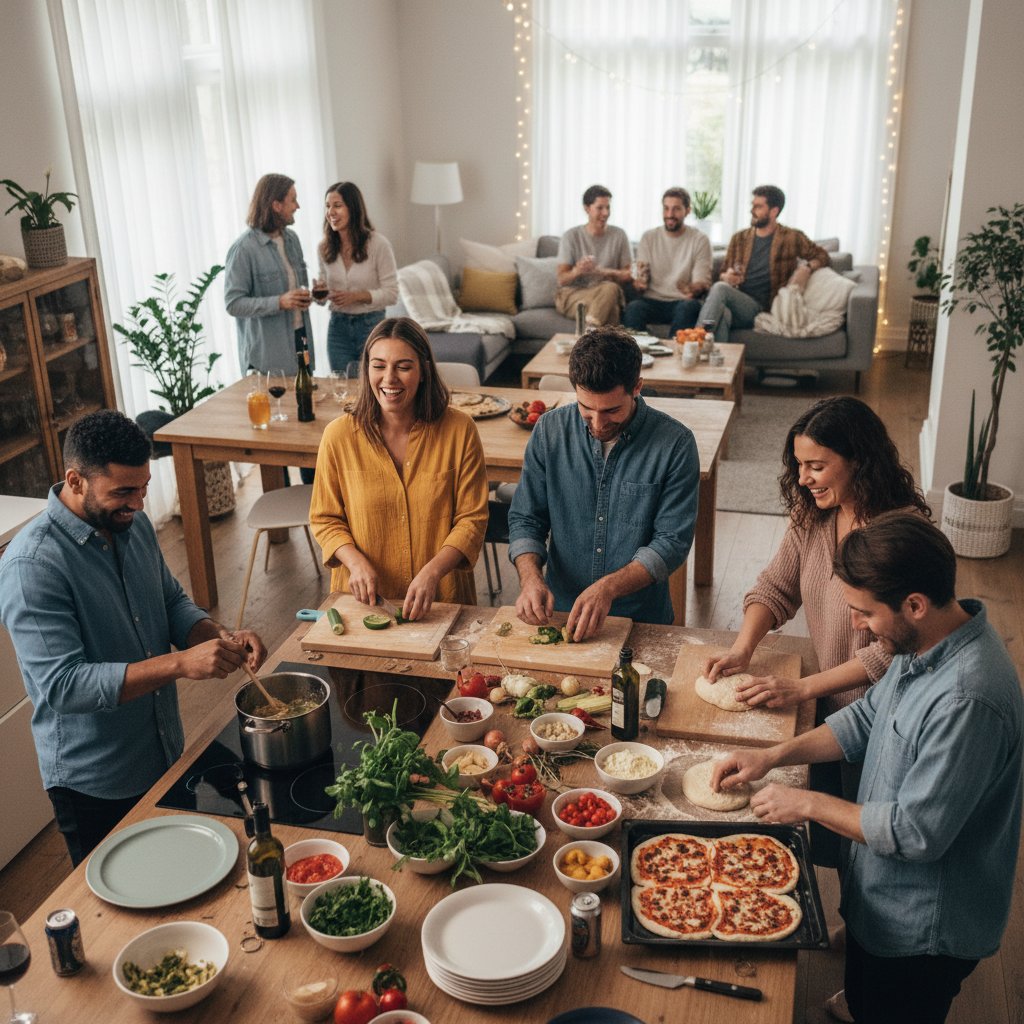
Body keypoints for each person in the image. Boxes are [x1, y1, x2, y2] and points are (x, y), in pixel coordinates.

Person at [711, 514, 1022, 1024]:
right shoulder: (924, 642)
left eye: (863, 613)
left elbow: (916, 832)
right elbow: (865, 717)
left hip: (923, 931)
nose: (855, 625)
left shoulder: (968, 698)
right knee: (864, 990)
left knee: (892, 1003)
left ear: (914, 605)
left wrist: (806, 802)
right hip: (883, 896)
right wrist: (772, 757)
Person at [0, 411, 267, 865]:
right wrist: (181, 664)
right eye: (124, 491)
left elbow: (170, 603)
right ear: (76, 480)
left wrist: (219, 636)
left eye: (144, 488)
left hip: (163, 750)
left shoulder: (133, 525)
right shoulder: (32, 567)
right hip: (94, 782)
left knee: (179, 876)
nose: (140, 504)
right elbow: (63, 686)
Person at [702, 396, 932, 868]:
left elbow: (890, 655)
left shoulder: (902, 534)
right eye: (799, 464)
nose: (804, 478)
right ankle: (841, 925)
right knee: (827, 838)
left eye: (817, 466)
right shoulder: (814, 513)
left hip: (883, 711)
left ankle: (855, 930)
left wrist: (803, 686)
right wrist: (743, 649)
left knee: (865, 842)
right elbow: (776, 585)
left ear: (859, 463)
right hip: (831, 704)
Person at [508, 326, 699, 638]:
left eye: (611, 410)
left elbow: (672, 542)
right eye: (586, 409)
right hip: (559, 613)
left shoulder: (676, 444)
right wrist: (530, 579)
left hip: (642, 620)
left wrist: (608, 588)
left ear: (637, 387)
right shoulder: (549, 431)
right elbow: (526, 517)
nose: (597, 424)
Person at [309, 317, 488, 617]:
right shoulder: (338, 436)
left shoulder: (460, 430)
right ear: (367, 370)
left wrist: (433, 572)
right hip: (363, 606)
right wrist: (354, 562)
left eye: (403, 367)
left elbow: (472, 519)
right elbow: (325, 519)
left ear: (424, 372)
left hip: (442, 601)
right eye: (378, 366)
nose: (389, 378)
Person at [697, 184, 831, 342]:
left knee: (720, 289)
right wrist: (728, 277)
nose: (752, 210)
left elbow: (822, 256)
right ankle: (717, 364)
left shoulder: (791, 237)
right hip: (738, 301)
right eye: (752, 205)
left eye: (758, 206)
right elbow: (723, 273)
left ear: (774, 211)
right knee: (723, 312)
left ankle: (695, 338)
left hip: (764, 307)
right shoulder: (739, 238)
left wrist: (807, 267)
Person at [224, 172, 314, 374]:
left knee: (307, 404)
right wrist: (279, 302)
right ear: (276, 205)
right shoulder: (243, 249)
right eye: (293, 200)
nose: (297, 206)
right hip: (267, 357)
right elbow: (233, 304)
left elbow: (297, 289)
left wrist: (309, 295)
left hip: (301, 341)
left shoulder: (293, 240)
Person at [316, 181, 398, 372]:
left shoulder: (378, 244)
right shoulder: (324, 247)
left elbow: (392, 293)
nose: (331, 212)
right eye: (328, 206)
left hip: (372, 325)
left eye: (337, 206)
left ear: (353, 209)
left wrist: (356, 296)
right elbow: (322, 295)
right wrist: (319, 293)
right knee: (341, 387)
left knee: (372, 385)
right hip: (338, 328)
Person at [623, 187, 712, 336]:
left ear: (688, 210)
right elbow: (641, 277)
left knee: (689, 307)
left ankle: (676, 352)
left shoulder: (699, 240)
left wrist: (692, 288)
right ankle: (636, 355)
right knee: (633, 308)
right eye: (666, 208)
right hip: (652, 300)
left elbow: (701, 282)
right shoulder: (648, 237)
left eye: (676, 209)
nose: (670, 215)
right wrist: (639, 283)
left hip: (682, 301)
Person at [555, 184, 633, 327]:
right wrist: (577, 270)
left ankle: (588, 339)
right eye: (600, 208)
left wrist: (603, 272)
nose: (605, 213)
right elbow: (561, 280)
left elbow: (630, 274)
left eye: (608, 207)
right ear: (587, 208)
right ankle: (596, 340)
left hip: (605, 294)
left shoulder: (619, 235)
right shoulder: (571, 236)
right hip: (573, 295)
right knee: (612, 305)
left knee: (610, 290)